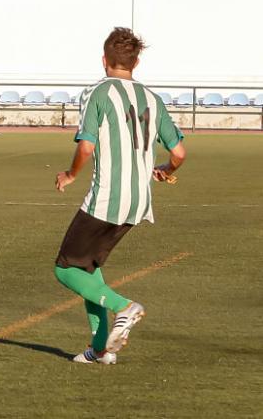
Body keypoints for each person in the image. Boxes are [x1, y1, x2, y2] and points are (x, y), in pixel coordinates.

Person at [53, 27, 186, 364]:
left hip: (107, 199)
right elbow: (180, 153)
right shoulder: (153, 99)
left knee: (66, 270)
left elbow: (86, 146)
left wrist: (69, 174)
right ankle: (99, 350)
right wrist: (166, 170)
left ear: (104, 60)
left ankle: (124, 307)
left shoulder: (97, 93)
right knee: (89, 271)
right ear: (136, 62)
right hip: (139, 202)